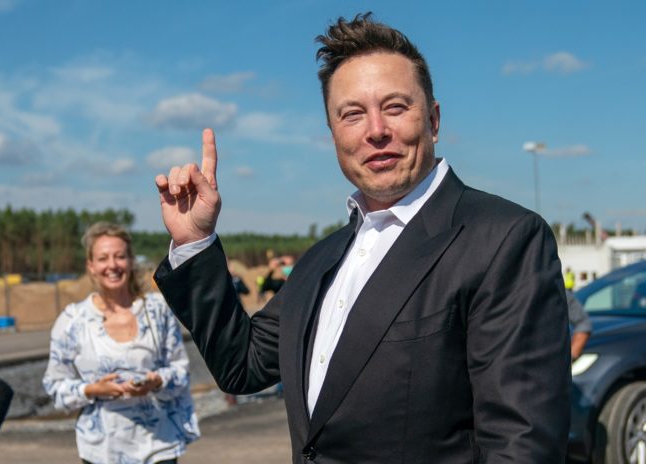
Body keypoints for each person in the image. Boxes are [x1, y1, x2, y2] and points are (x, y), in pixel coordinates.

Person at [154, 13, 570, 463]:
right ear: (333, 135)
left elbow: (521, 444)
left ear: (433, 120)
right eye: (352, 114)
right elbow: (244, 365)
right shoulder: (321, 260)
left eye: (395, 107)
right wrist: (195, 242)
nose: (376, 130)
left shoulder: (503, 240)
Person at [43, 222, 199, 464]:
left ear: (131, 261)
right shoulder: (73, 320)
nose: (112, 265)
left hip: (159, 446)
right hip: (101, 451)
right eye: (103, 258)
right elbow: (55, 386)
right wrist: (92, 390)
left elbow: (181, 372)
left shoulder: (157, 310)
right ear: (90, 266)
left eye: (120, 256)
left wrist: (157, 381)